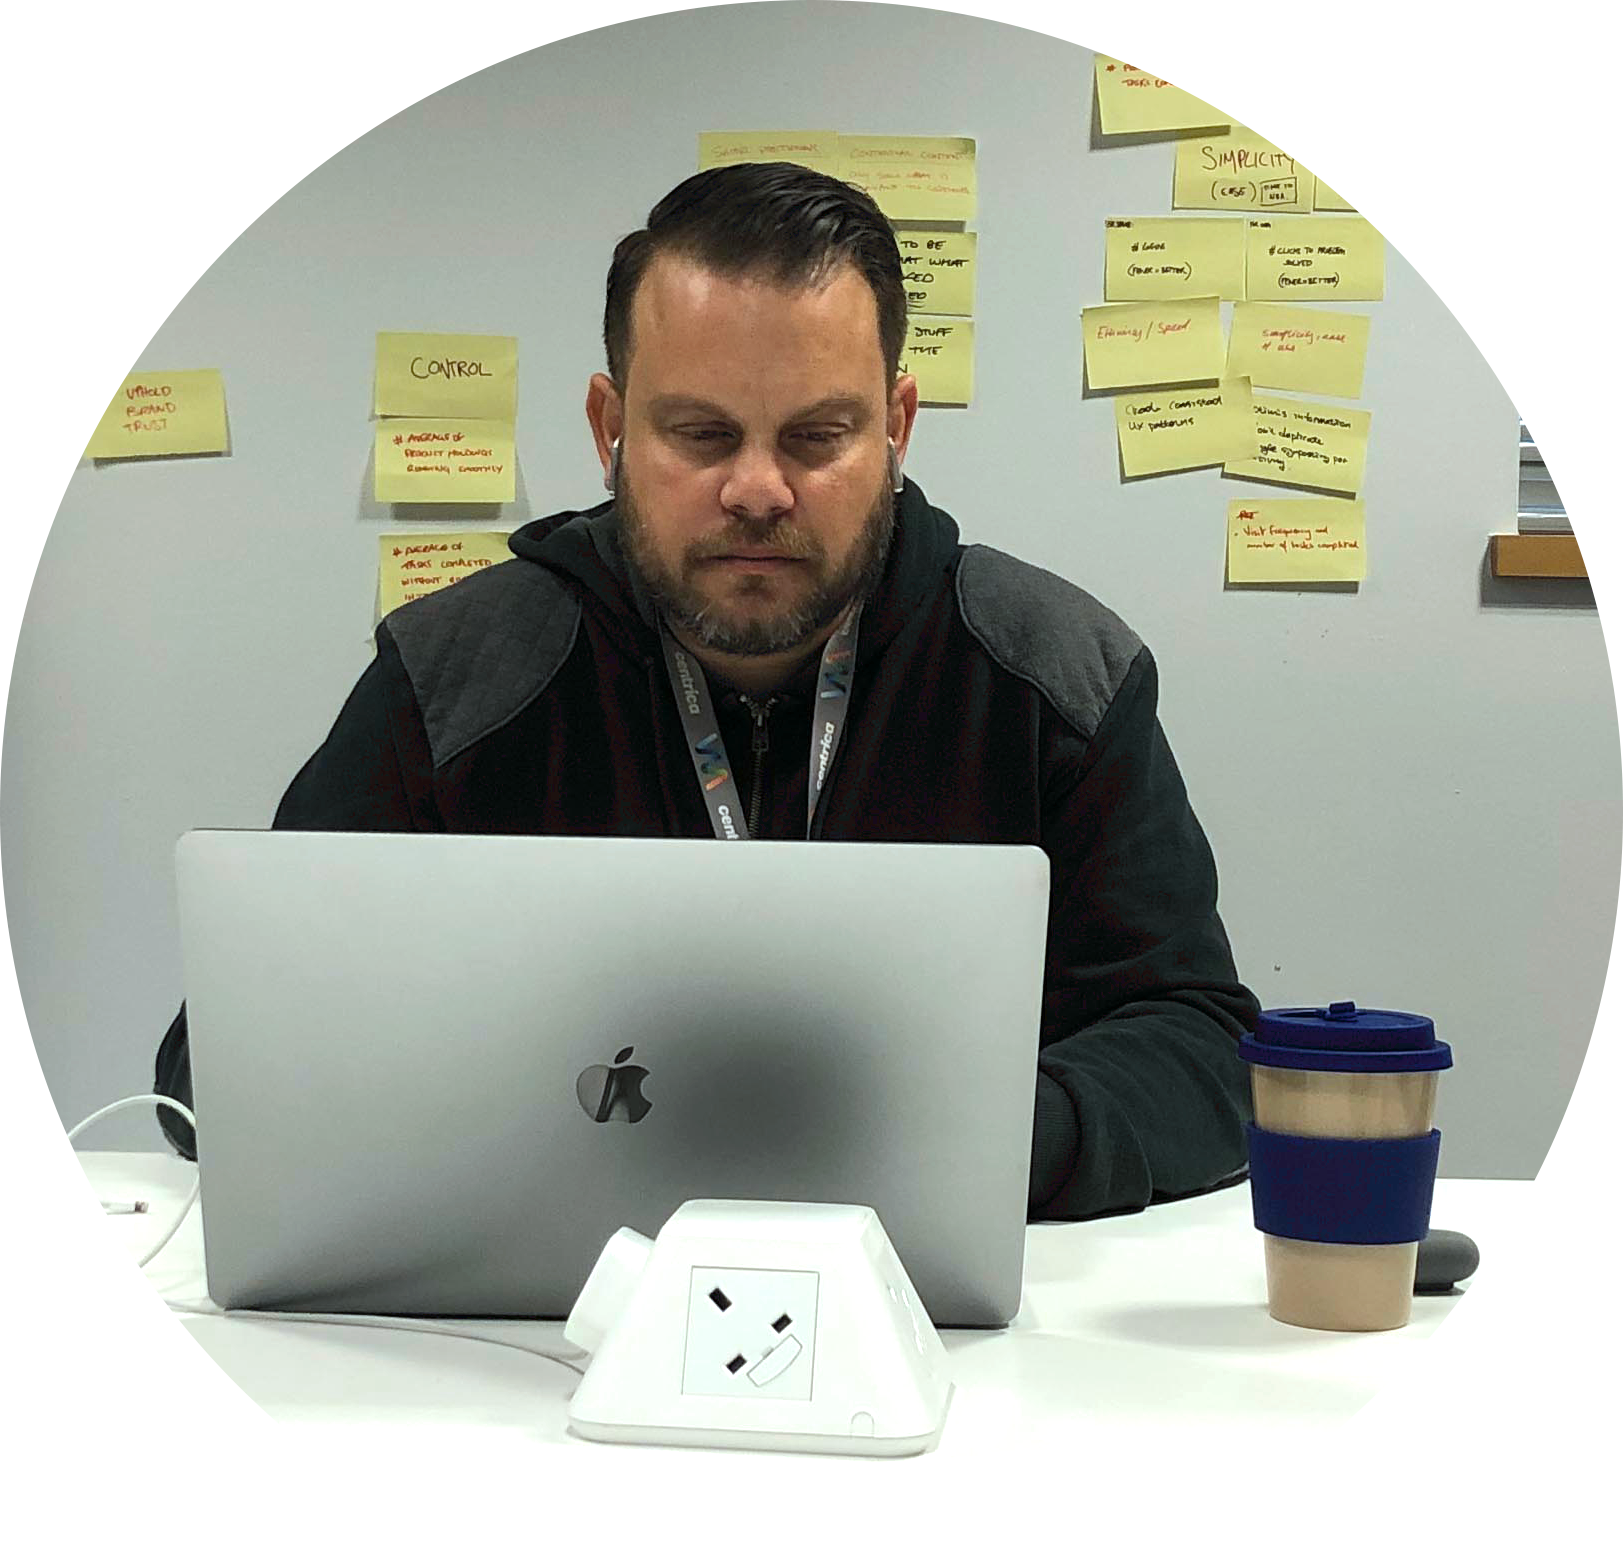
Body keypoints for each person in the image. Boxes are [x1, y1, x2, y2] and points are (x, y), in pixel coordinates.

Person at [155, 161, 1260, 1220]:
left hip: (929, 1296)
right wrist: (484, 1121)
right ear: (610, 428)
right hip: (533, 1301)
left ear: (896, 427)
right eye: (701, 434)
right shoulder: (454, 679)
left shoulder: (1055, 675)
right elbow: (216, 1057)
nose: (758, 490)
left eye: (817, 436)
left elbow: (1203, 1043)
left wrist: (988, 1143)